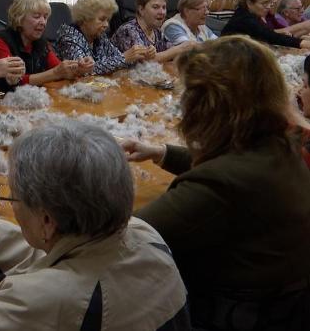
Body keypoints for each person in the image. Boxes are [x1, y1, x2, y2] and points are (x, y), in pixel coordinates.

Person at [0, 121, 190, 330]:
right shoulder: (142, 235)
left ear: (47, 221)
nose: (12, 205)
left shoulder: (52, 301)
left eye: (13, 197)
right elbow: (67, 257)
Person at [122, 36, 310, 329]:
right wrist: (161, 153)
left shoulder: (220, 185)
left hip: (236, 313)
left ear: (208, 105)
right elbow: (237, 162)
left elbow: (125, 238)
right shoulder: (283, 145)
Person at [0, 0, 92, 88]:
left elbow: (59, 69)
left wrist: (78, 68)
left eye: (45, 17)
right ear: (19, 18)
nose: (43, 22)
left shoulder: (41, 43)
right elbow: (15, 82)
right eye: (36, 16)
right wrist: (56, 73)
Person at [55, 0, 150, 75]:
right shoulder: (68, 38)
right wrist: (124, 58)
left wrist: (140, 54)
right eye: (102, 19)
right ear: (85, 18)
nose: (106, 25)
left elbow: (116, 58)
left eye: (108, 20)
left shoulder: (99, 36)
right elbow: (85, 71)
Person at [112, 0, 196, 62]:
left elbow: (171, 52)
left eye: (164, 7)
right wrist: (180, 49)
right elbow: (144, 62)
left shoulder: (157, 31)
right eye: (155, 7)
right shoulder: (128, 30)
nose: (162, 12)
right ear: (141, 9)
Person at [222, 0, 310, 49]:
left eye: (269, 3)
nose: (268, 7)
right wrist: (302, 43)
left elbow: (266, 33)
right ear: (249, 3)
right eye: (264, 3)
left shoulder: (251, 14)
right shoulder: (244, 19)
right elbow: (269, 36)